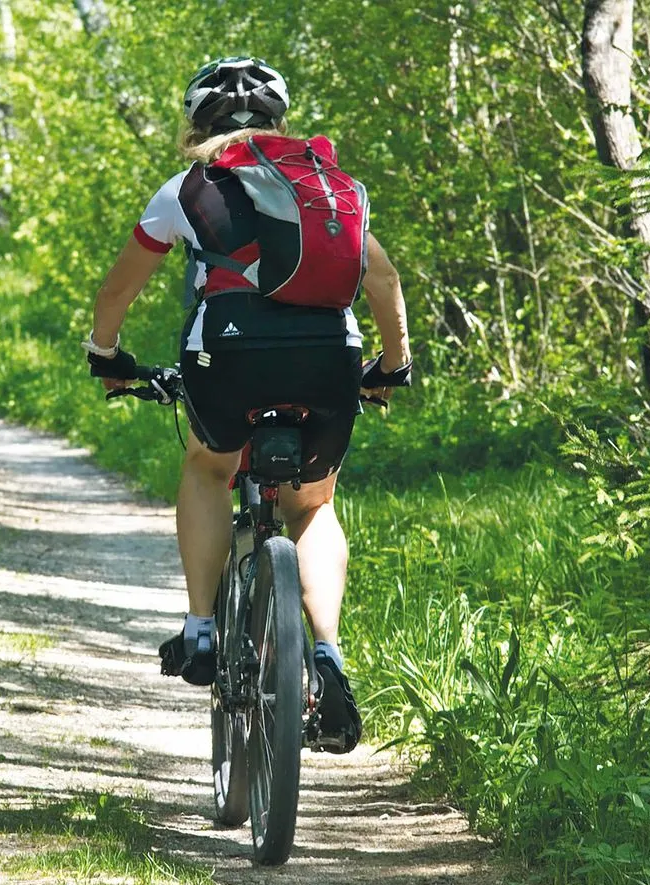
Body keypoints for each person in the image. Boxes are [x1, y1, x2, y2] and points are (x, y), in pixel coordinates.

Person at [82, 57, 411, 752]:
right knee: (313, 505)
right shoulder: (331, 187)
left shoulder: (186, 189)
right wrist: (392, 365)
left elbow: (117, 293)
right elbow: (382, 279)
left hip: (227, 360)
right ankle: (327, 654)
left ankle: (201, 630)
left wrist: (106, 357)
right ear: (279, 121)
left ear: (195, 123)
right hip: (329, 360)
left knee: (207, 467)